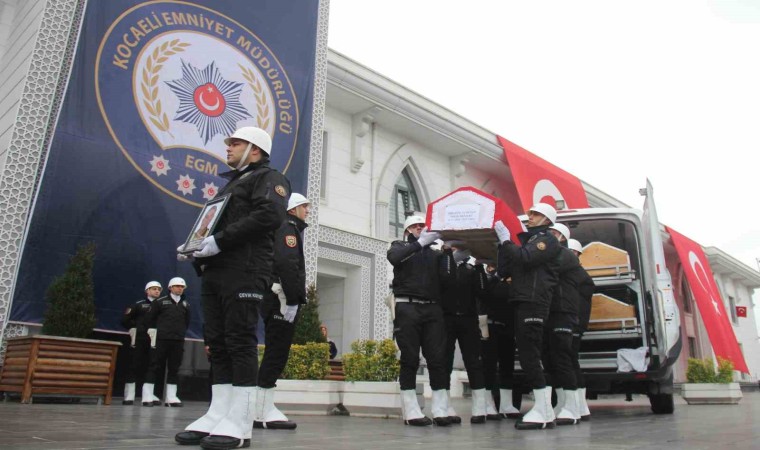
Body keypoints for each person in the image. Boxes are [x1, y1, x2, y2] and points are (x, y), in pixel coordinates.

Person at [175, 126, 289, 450]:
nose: (228, 147)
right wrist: (195, 249)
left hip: (246, 270)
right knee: (219, 343)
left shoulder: (270, 178)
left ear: (254, 149)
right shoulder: (229, 185)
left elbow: (270, 215)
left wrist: (217, 241)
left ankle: (240, 422)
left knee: (240, 340)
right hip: (217, 272)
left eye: (235, 143)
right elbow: (215, 225)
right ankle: (218, 414)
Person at [495, 202, 561, 430]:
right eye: (531, 213)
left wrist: (506, 241)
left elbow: (525, 259)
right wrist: (501, 245)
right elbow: (505, 269)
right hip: (523, 301)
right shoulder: (527, 240)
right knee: (526, 354)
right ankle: (545, 410)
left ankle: (543, 410)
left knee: (530, 354)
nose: (530, 216)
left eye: (536, 214)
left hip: (534, 302)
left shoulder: (548, 240)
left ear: (547, 220)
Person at [387, 215, 455, 427]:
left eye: (422, 226)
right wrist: (418, 244)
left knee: (437, 359)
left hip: (432, 308)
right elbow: (395, 258)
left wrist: (448, 255)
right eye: (415, 226)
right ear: (408, 230)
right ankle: (411, 411)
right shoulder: (400, 246)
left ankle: (440, 409)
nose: (420, 228)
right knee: (410, 358)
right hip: (407, 306)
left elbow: (448, 278)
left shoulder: (434, 254)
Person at [254, 192, 310, 430]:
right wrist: (292, 299)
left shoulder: (286, 227)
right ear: (293, 209)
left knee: (275, 352)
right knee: (277, 353)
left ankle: (262, 407)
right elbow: (287, 265)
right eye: (305, 207)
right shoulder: (288, 228)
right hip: (280, 297)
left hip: (276, 296)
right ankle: (261, 411)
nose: (307, 211)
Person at [440, 249, 489, 424]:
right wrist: (448, 258)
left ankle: (480, 408)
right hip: (447, 319)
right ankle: (445, 406)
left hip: (468, 319)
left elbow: (483, 292)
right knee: (445, 362)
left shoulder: (470, 269)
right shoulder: (443, 264)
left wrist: (480, 269)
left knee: (474, 362)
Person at [545, 223, 583, 425]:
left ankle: (572, 407)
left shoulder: (566, 255)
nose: (548, 236)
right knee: (551, 359)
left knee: (563, 358)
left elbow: (546, 268)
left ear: (561, 237)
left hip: (563, 313)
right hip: (551, 312)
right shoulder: (554, 254)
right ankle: (562, 404)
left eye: (552, 233)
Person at [480, 265, 521, 420]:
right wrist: (497, 276)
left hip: (507, 326)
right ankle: (487, 402)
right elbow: (485, 293)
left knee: (507, 365)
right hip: (487, 324)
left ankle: (506, 403)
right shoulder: (487, 278)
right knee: (488, 365)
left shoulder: (510, 282)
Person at [142, 277, 190, 407]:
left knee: (174, 368)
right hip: (161, 339)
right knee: (154, 365)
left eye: (182, 287)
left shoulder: (186, 304)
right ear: (170, 288)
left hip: (177, 340)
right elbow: (149, 319)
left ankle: (171, 397)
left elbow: (187, 322)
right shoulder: (160, 302)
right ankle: (147, 396)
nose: (180, 288)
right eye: (177, 286)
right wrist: (153, 332)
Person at [120, 280, 162, 405]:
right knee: (134, 364)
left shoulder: (162, 305)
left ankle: (148, 395)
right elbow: (125, 319)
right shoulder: (138, 304)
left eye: (159, 289)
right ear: (147, 291)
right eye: (154, 289)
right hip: (139, 338)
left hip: (155, 339)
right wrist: (135, 327)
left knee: (152, 365)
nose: (157, 291)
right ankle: (129, 395)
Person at [567, 238, 595, 421]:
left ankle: (579, 405)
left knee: (570, 361)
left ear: (576, 254)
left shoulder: (577, 274)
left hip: (574, 323)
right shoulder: (578, 274)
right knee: (570, 360)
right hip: (574, 322)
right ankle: (579, 405)